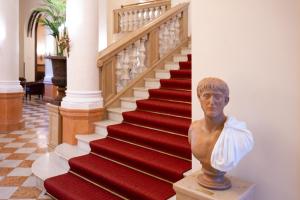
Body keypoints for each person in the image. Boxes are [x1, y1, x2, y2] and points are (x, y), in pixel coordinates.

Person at [189, 77, 254, 190]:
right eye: (206, 96)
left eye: (217, 96)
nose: (211, 102)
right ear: (199, 98)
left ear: (226, 101)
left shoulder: (237, 134)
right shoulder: (193, 129)